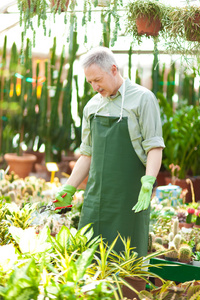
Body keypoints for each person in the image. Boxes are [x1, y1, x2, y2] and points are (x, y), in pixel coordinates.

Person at [55, 46, 165, 257]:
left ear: (114, 69)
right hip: (95, 197)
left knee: (126, 259)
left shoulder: (143, 99)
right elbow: (87, 154)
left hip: (130, 197)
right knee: (88, 257)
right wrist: (69, 188)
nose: (95, 87)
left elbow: (154, 146)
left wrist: (148, 181)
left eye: (98, 80)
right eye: (90, 82)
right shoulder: (91, 107)